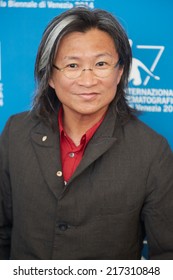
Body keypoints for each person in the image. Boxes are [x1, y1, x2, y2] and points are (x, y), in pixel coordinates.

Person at [0, 7, 173, 260]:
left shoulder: (150, 151)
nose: (88, 80)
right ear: (49, 76)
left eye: (101, 64)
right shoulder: (16, 133)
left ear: (120, 72)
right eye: (72, 65)